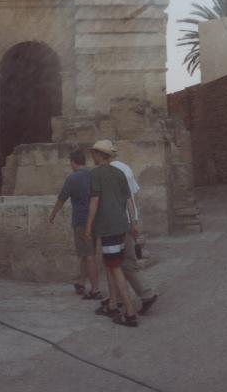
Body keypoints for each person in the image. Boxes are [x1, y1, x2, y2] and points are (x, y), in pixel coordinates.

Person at [84, 139, 139, 327]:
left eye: (94, 152)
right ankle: (113, 304)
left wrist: (88, 226)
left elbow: (94, 201)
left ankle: (130, 313)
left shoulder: (95, 174)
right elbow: (129, 200)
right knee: (112, 265)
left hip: (108, 228)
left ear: (100, 155)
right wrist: (133, 222)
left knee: (115, 268)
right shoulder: (119, 173)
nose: (92, 155)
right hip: (122, 225)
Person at [110, 147, 159, 315]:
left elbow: (125, 198)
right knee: (121, 263)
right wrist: (135, 221)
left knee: (121, 264)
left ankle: (144, 295)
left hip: (119, 224)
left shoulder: (110, 172)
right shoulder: (125, 168)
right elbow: (133, 196)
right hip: (128, 221)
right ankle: (118, 299)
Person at [49, 149, 101, 300]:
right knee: (85, 253)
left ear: (73, 162)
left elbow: (61, 199)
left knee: (88, 254)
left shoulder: (72, 178)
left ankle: (95, 289)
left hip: (81, 221)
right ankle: (81, 282)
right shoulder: (93, 175)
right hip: (96, 219)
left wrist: (53, 214)